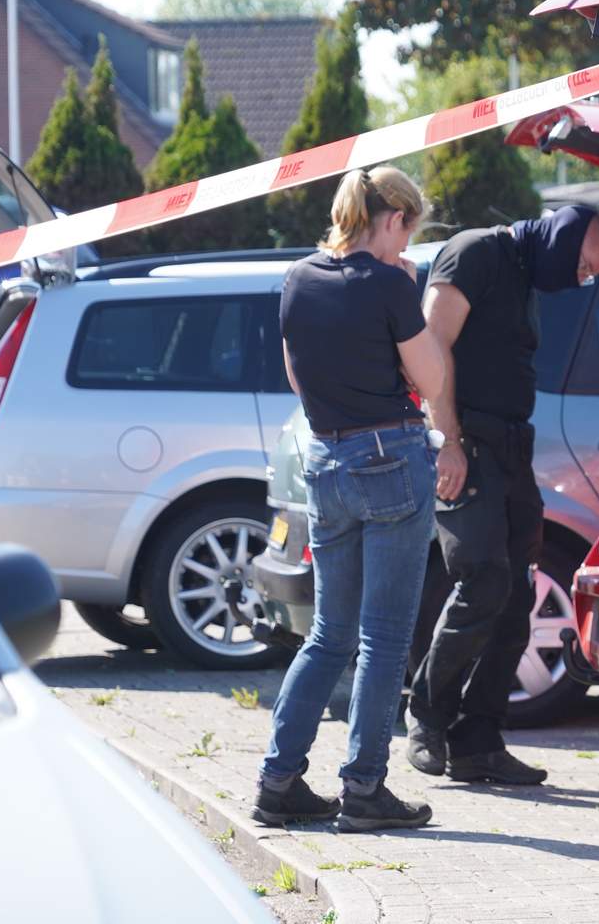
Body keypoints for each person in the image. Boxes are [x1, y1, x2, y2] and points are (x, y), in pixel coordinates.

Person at [254, 166, 445, 832]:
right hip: (392, 457)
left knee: (329, 631)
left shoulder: (298, 278)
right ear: (391, 219)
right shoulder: (392, 282)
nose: (405, 247)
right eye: (406, 233)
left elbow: (295, 374)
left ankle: (278, 779)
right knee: (384, 635)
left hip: (326, 458)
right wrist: (409, 292)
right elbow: (433, 374)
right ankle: (364, 786)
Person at [406, 204, 599, 785]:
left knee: (519, 593)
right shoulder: (475, 253)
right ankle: (425, 714)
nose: (582, 280)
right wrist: (448, 440)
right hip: (466, 443)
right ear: (560, 237)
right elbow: (431, 347)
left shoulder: (524, 272)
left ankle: (479, 740)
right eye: (582, 265)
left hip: (512, 450)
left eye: (592, 274)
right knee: (482, 584)